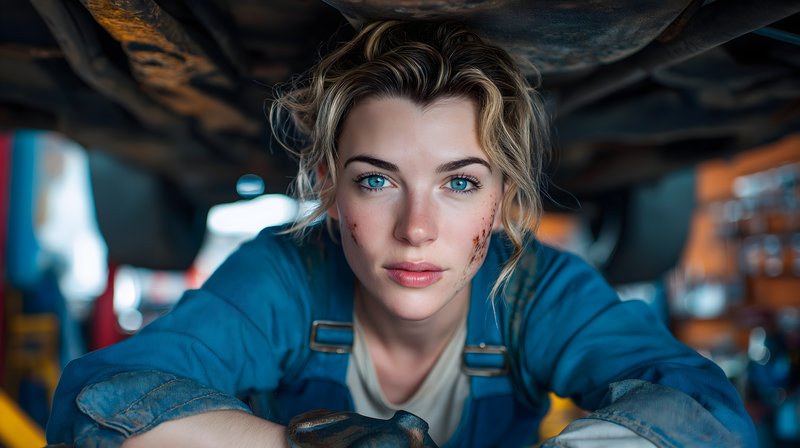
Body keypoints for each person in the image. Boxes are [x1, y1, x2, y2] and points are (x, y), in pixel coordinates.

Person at [47, 21, 756, 447]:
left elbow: (703, 410)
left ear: (502, 199)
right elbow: (96, 403)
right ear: (327, 186)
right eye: (377, 180)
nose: (417, 230)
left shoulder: (534, 291)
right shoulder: (286, 277)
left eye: (460, 183)